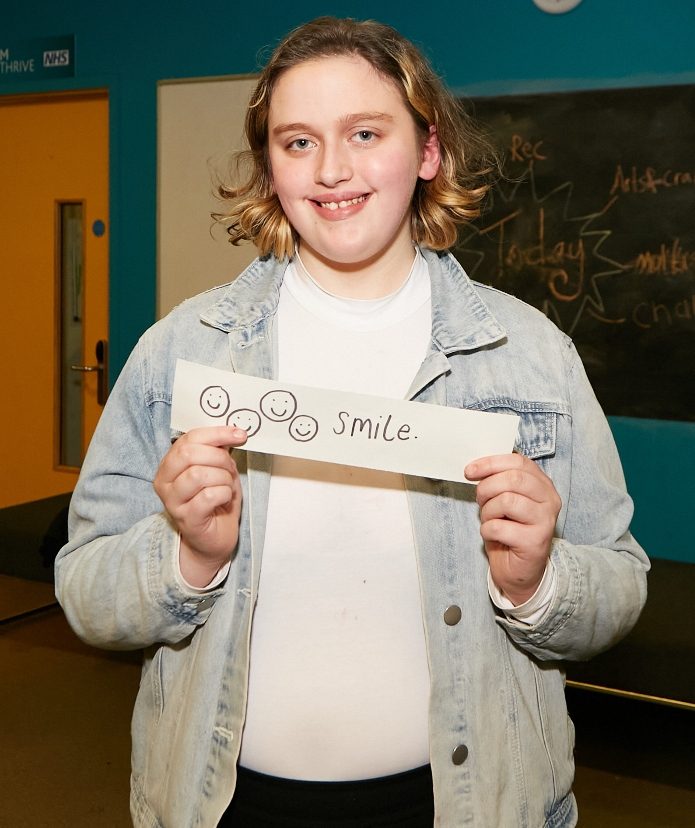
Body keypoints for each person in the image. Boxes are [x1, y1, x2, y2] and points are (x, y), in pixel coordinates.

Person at [55, 16, 649, 828]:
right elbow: (86, 591)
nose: (331, 170)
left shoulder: (528, 354)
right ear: (270, 166)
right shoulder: (184, 350)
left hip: (462, 807)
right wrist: (188, 557)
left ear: (427, 150)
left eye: (365, 133)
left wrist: (535, 583)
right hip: (228, 807)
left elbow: (617, 585)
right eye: (297, 142)